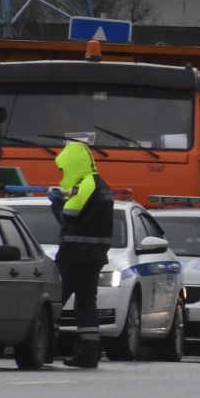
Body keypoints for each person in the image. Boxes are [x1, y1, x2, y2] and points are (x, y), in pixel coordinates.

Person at [49, 138, 114, 370]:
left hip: (74, 256)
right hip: (93, 257)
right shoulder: (101, 184)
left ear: (73, 163)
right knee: (86, 304)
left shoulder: (85, 184)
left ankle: (45, 348)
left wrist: (56, 204)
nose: (63, 171)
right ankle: (90, 351)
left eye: (64, 167)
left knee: (55, 301)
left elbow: (69, 218)